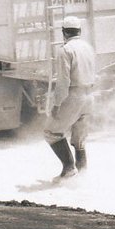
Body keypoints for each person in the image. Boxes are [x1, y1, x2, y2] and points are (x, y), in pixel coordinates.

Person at [44, 15, 97, 178]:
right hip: (90, 95)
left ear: (64, 32)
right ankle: (82, 173)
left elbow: (63, 82)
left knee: (51, 132)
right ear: (79, 31)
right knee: (79, 139)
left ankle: (69, 169)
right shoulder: (88, 47)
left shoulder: (66, 50)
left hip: (74, 96)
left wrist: (57, 104)